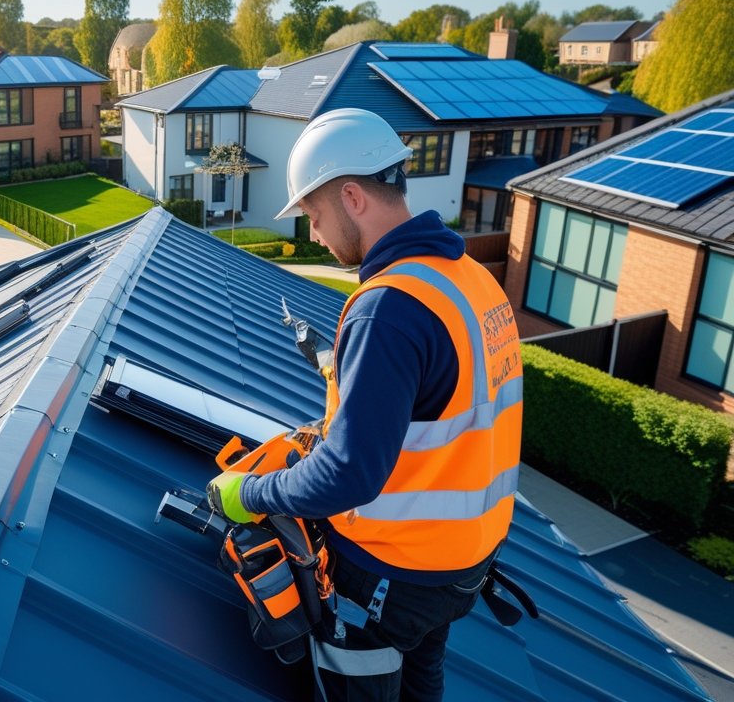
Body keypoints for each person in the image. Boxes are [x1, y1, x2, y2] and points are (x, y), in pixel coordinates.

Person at [207, 108, 523, 701]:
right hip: (464, 563)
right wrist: (343, 378)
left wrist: (247, 494)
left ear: (352, 196)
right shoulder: (470, 280)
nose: (315, 235)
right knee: (422, 680)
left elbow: (349, 473)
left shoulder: (390, 307)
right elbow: (442, 402)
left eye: (315, 215)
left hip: (396, 570)